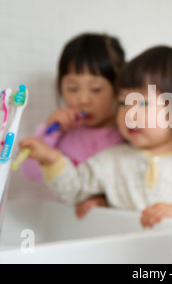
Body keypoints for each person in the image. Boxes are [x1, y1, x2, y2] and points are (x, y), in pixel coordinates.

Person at [19, 46, 172, 227]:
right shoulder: (112, 159)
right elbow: (73, 189)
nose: (130, 113)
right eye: (123, 103)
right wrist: (51, 159)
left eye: (143, 103)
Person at [20, 33, 126, 217]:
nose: (83, 99)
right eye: (72, 89)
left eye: (96, 89)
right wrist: (48, 133)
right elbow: (30, 173)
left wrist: (106, 201)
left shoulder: (127, 134)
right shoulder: (59, 132)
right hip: (66, 224)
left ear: (119, 88)